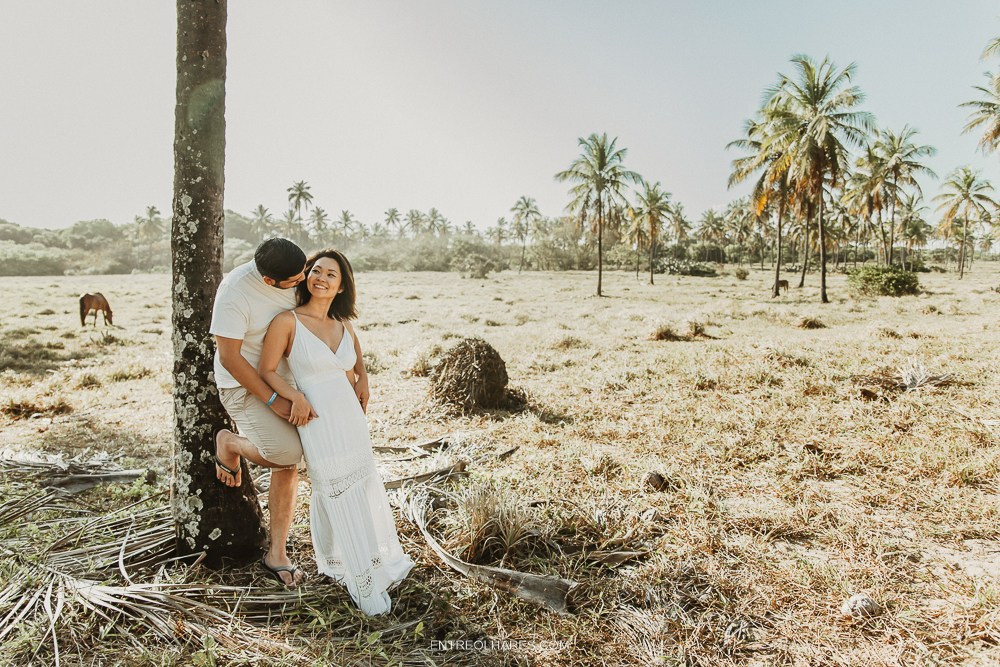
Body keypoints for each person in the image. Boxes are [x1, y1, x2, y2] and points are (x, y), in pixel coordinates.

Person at [259, 248, 414, 615]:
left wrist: (365, 380)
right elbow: (267, 370)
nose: (321, 278)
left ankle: (371, 561)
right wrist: (293, 395)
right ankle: (356, 573)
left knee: (359, 486)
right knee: (335, 490)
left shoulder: (344, 326)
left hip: (351, 421)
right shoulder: (287, 321)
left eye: (331, 274)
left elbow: (352, 366)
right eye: (315, 270)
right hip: (317, 421)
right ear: (306, 277)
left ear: (341, 285)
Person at [211, 237, 312, 587]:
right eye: (295, 280)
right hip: (244, 385)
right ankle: (230, 443)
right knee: (286, 454)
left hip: (291, 381)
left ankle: (277, 552)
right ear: (270, 281)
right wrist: (273, 400)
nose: (303, 281)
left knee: (299, 459)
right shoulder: (236, 293)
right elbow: (229, 358)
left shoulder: (294, 272)